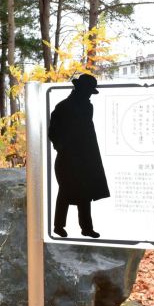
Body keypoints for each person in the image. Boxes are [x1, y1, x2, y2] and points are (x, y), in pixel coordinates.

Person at [48, 74, 110, 238]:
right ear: (81, 89)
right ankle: (58, 226)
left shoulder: (87, 107)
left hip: (85, 158)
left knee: (85, 193)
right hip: (67, 159)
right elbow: (53, 131)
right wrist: (62, 147)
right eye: (88, 90)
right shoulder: (63, 107)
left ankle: (86, 228)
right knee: (65, 191)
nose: (90, 94)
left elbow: (87, 134)